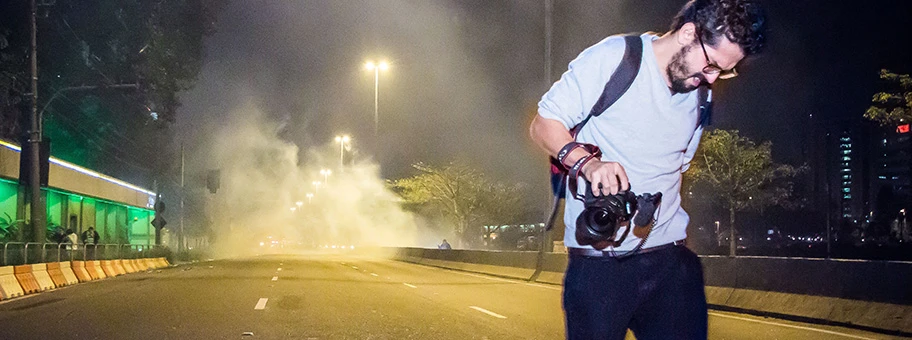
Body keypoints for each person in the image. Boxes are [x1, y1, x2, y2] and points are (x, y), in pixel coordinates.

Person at [529, 1, 766, 339]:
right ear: (688, 33)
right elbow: (543, 125)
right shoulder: (615, 59)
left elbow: (678, 167)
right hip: (599, 266)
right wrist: (587, 163)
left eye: (723, 71)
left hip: (670, 263)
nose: (712, 78)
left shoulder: (701, 95)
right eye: (711, 64)